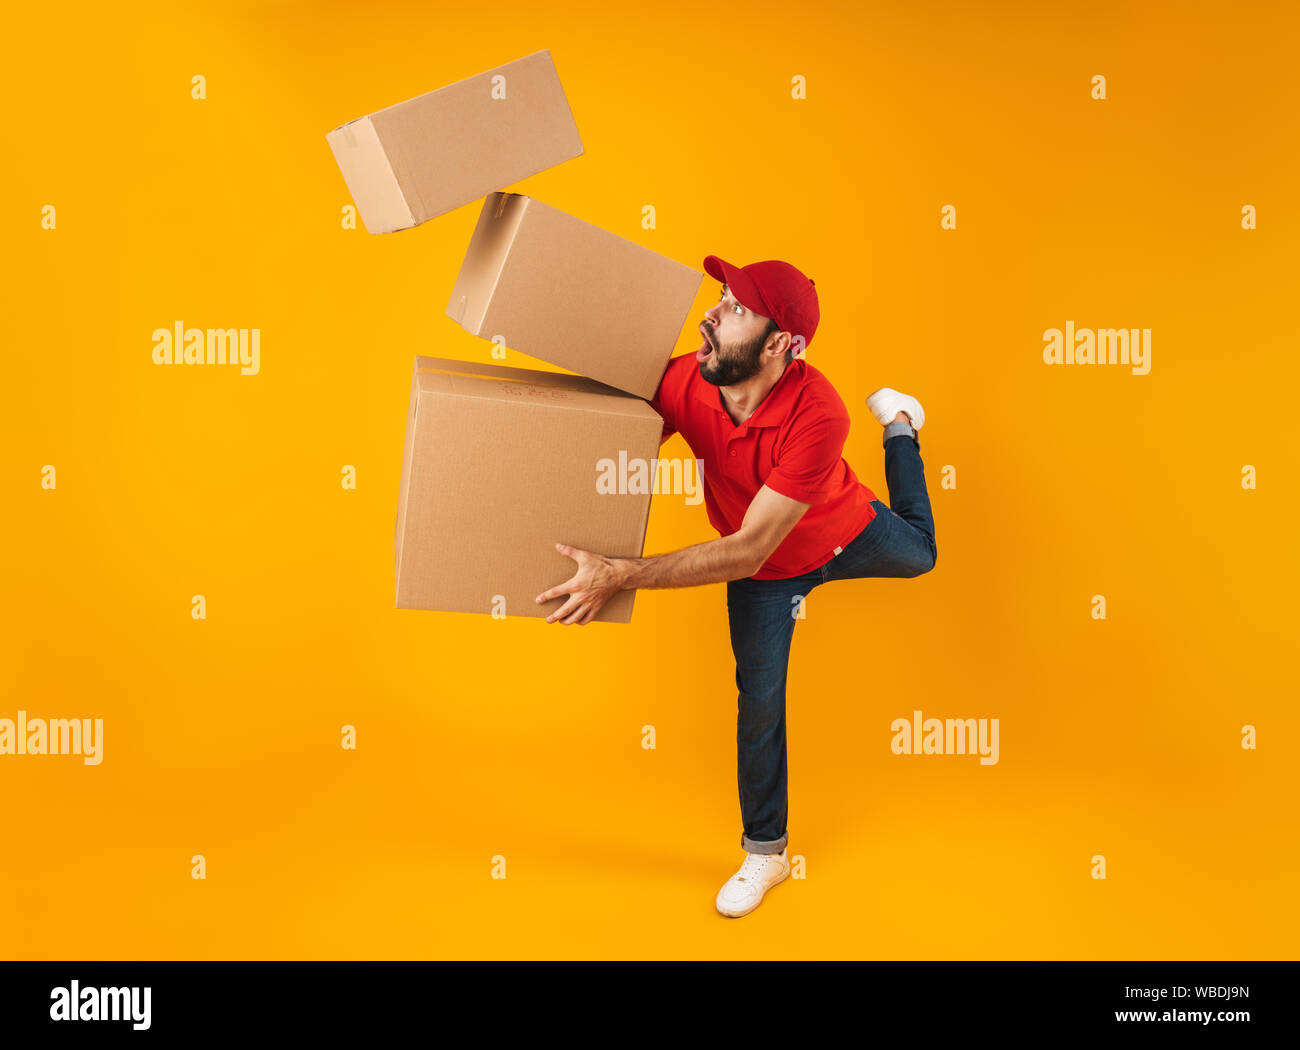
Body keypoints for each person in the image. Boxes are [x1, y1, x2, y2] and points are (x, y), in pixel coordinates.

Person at [535, 256, 937, 917]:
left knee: (921, 553)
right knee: (760, 700)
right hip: (772, 577)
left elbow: (748, 549)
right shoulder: (681, 381)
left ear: (786, 345)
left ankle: (899, 425)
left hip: (838, 533)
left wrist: (623, 576)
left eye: (739, 311)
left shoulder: (821, 415)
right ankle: (767, 853)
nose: (711, 316)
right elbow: (607, 449)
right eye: (721, 299)